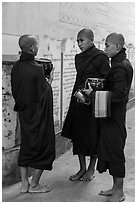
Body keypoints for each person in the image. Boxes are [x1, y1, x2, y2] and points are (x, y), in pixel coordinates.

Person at [84, 33, 133, 201]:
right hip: (112, 115)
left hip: (115, 116)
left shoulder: (120, 67)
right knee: (110, 150)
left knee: (115, 151)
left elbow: (119, 94)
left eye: (106, 45)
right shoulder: (120, 63)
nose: (104, 49)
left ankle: (119, 192)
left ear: (117, 47)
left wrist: (94, 93)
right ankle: (114, 188)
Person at [61, 28, 110, 181]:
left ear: (91, 40)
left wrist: (93, 92)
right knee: (78, 136)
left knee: (92, 136)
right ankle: (82, 168)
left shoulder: (100, 57)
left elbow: (106, 80)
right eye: (77, 41)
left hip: (93, 103)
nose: (79, 44)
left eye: (82, 40)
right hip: (78, 101)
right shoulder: (79, 58)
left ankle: (91, 168)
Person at [11, 35, 55, 193]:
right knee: (45, 145)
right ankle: (35, 184)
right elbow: (44, 93)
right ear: (31, 48)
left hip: (24, 114)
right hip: (38, 115)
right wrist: (49, 81)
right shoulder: (36, 68)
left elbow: (17, 90)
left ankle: (24, 184)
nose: (38, 47)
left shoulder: (16, 67)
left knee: (26, 146)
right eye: (37, 44)